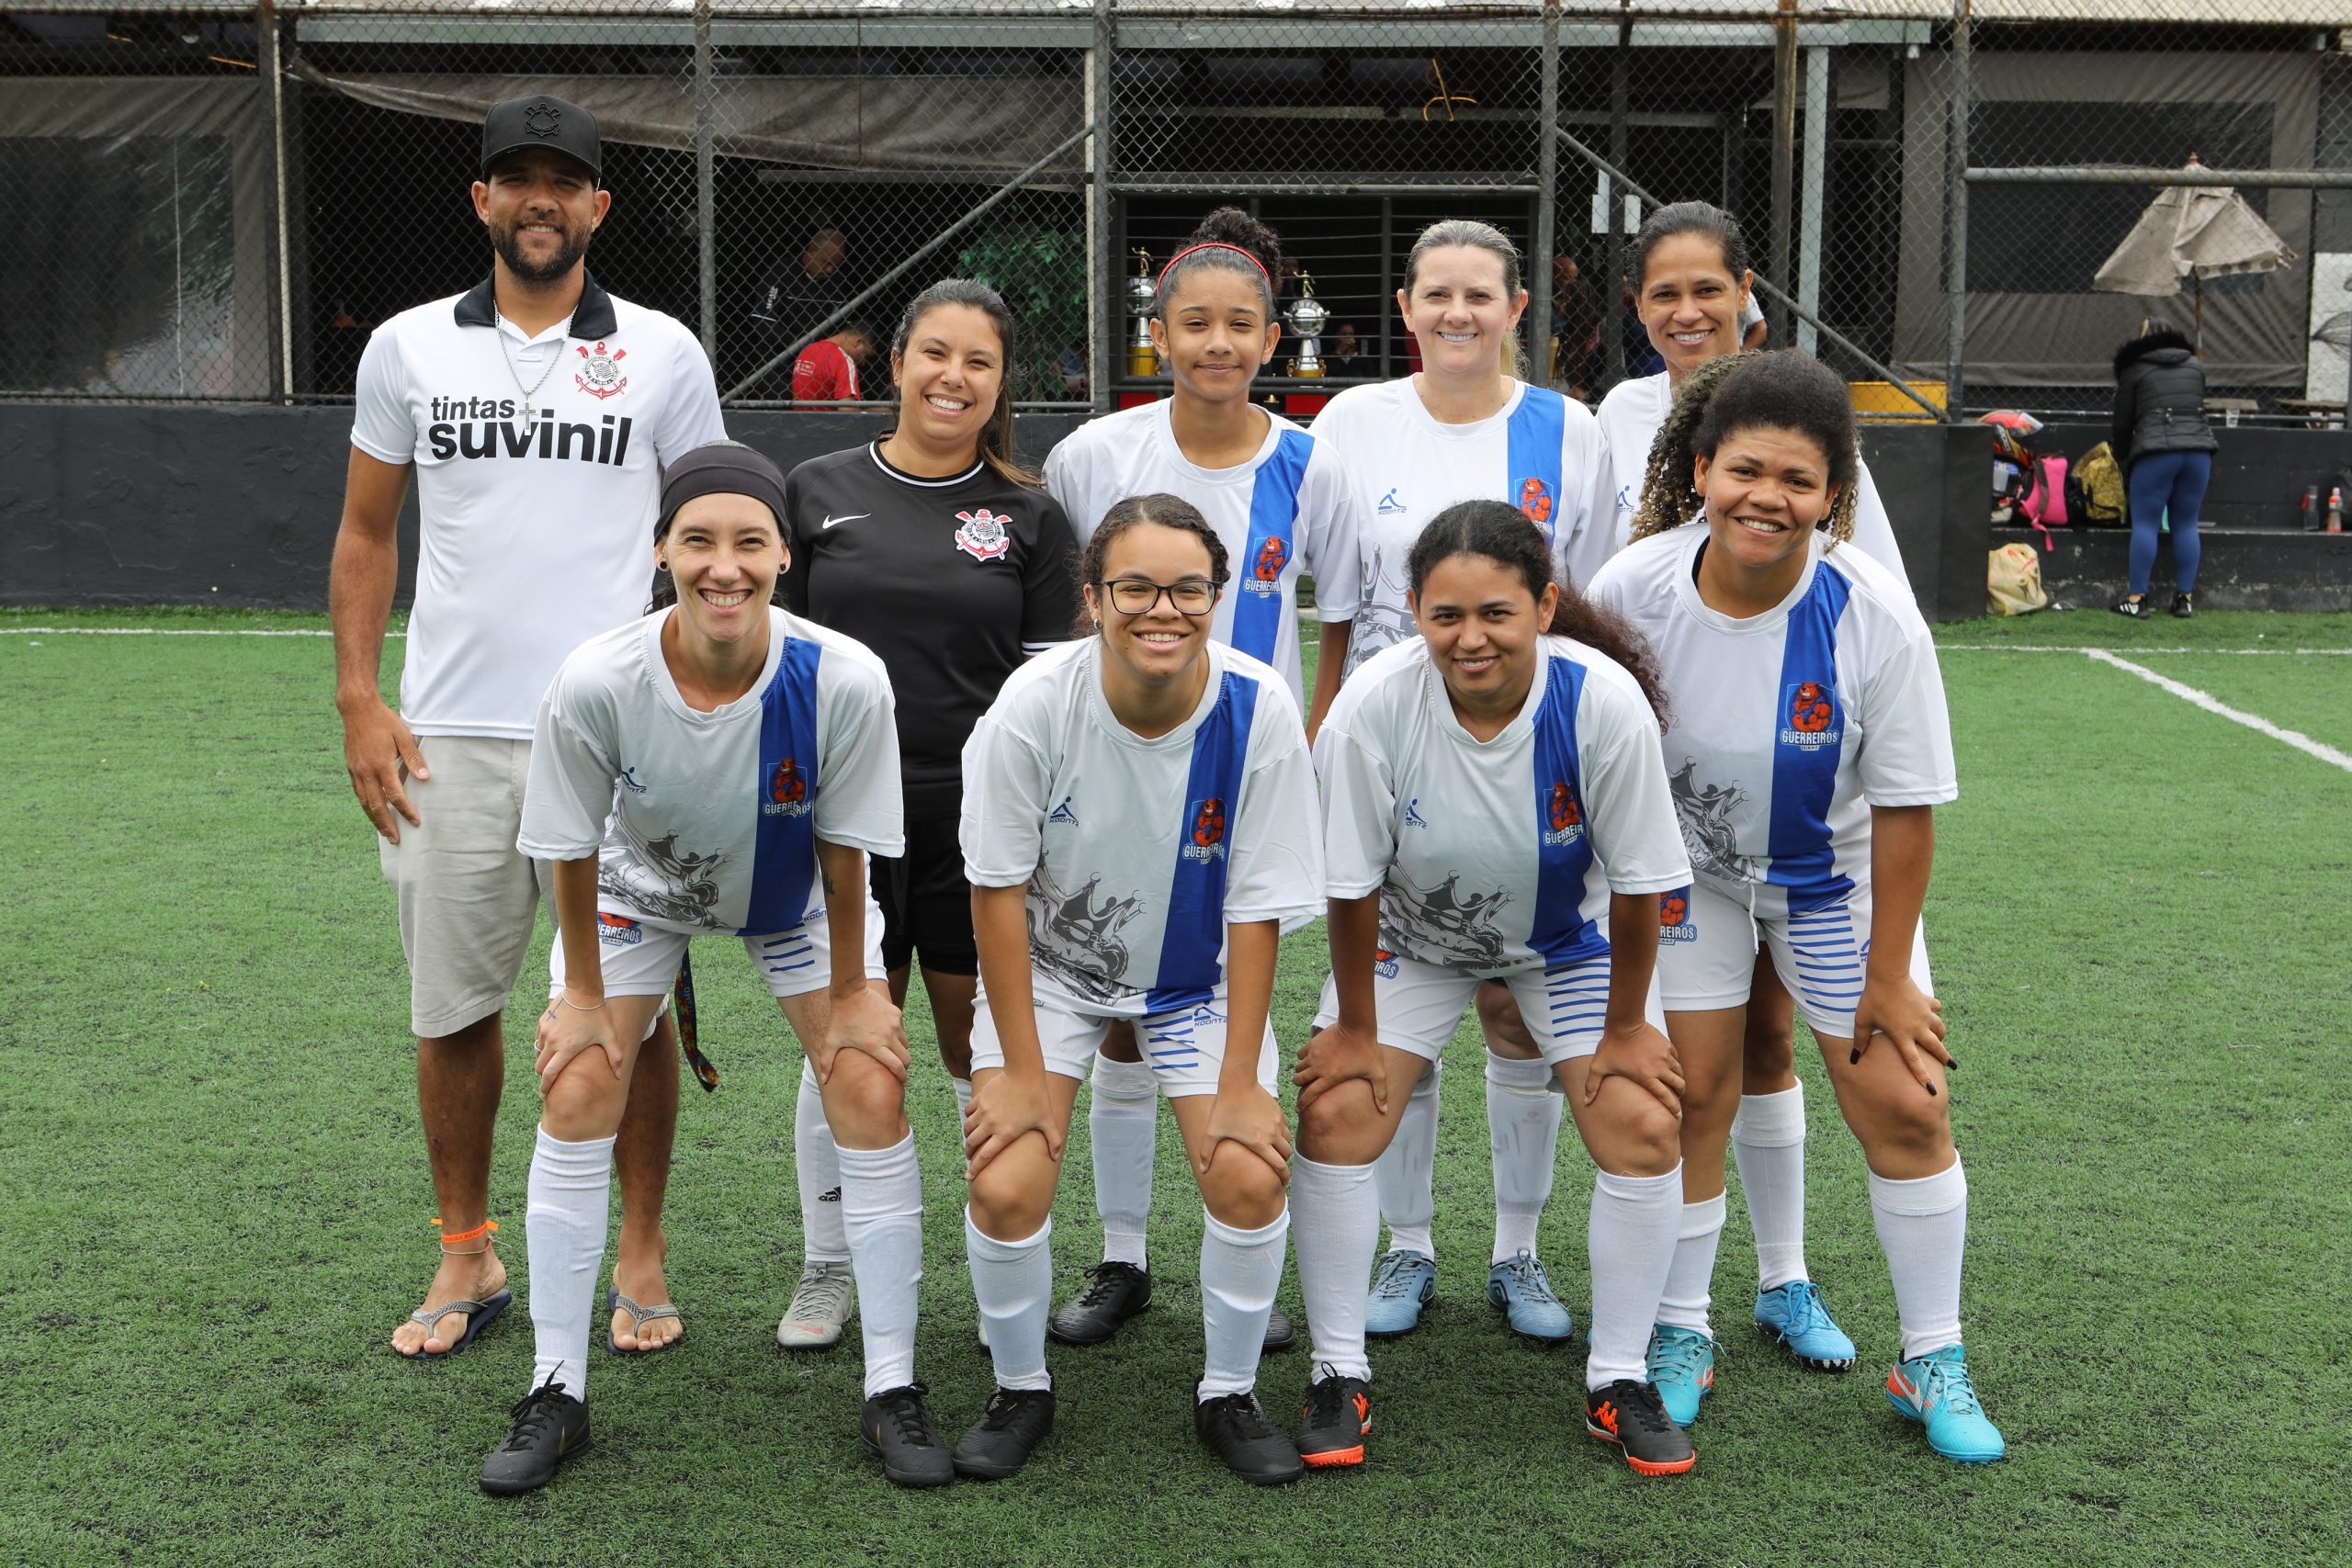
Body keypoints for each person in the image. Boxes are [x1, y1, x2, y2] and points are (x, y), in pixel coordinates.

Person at [334, 96, 725, 1366]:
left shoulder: (665, 351)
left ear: (599, 208)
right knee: (452, 1007)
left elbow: (709, 534)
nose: (541, 200)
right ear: (483, 201)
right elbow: (366, 532)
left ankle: (642, 1243)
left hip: (620, 735)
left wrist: (699, 708)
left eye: (566, 182)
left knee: (635, 1012)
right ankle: (467, 1241)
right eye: (518, 180)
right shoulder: (404, 349)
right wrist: (359, 697)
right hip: (448, 734)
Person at [481, 443, 935, 1492]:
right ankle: (557, 1391)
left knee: (867, 1083)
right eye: (698, 541)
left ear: (783, 554)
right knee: (581, 1079)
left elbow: (848, 848)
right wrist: (588, 1000)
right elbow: (567, 845)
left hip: (794, 900)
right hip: (643, 896)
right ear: (662, 553)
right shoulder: (599, 677)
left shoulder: (842, 676)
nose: (722, 566)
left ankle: (892, 1385)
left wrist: (860, 997)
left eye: (747, 542)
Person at [1588, 350, 2005, 1464]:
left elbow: (1909, 812)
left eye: (1799, 480)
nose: (1767, 497)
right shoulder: (1631, 589)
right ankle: (1680, 1332)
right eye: (1745, 469)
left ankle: (1932, 1357)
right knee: (1692, 1098)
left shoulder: (1872, 615)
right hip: (1690, 884)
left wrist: (1887, 977)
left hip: (1835, 886)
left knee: (1906, 1102)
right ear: (1699, 470)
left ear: (1835, 497)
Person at [1291, 500, 1697, 1478]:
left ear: (1545, 605)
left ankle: (1619, 1377)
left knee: (1643, 1120)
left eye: (1496, 614)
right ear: (1415, 611)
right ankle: (1335, 1369)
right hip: (1412, 943)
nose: (1470, 638)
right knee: (1337, 1110)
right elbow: (1348, 887)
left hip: (1560, 943)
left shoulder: (1600, 701)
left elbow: (1642, 883)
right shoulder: (1373, 707)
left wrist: (1629, 1027)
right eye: (1445, 615)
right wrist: (1350, 1026)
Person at [1586, 201, 1910, 1380]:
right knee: (1709, 1069)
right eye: (1662, 294)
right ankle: (1689, 1312)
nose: (1685, 312)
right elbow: (1598, 617)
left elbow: (1869, 623)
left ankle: (1784, 1278)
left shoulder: (1816, 443)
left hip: (1806, 809)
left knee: (1776, 1049)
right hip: (1680, 825)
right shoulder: (1609, 423)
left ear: (1744, 294)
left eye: (1705, 292)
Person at [950, 494, 1324, 1485]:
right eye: (1134, 587)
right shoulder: (1033, 704)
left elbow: (1256, 906)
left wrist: (1241, 1081)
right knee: (1007, 1179)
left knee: (1246, 1171)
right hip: (1054, 976)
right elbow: (993, 892)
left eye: (1188, 587)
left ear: (1218, 594)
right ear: (1091, 598)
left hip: (1193, 978)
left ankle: (1228, 1393)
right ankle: (1020, 1385)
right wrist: (1020, 1072)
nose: (1163, 609)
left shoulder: (1259, 706)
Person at [1039, 207, 1360, 1351]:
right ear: (1158, 333)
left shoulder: (1314, 461)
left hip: (1246, 782)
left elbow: (1344, 614)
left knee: (1223, 998)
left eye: (1239, 325)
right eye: (1193, 324)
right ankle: (1122, 1257)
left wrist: (1311, 743)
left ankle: (1242, 1263)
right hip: (1116, 775)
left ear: (1274, 339)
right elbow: (1069, 613)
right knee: (1122, 1022)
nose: (1216, 344)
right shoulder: (1093, 457)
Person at [1303, 218, 1613, 1348]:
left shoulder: (1567, 431)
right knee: (1400, 995)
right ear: (1404, 307)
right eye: (1436, 294)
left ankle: (1517, 1253)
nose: (1457, 314)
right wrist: (1322, 723)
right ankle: (1409, 1244)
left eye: (1479, 295)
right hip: (1389, 747)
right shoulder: (1351, 421)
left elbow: (1582, 600)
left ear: (1516, 308)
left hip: (1525, 745)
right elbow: (1337, 600)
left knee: (1513, 1010)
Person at [774, 279, 1082, 1352]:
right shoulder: (813, 489)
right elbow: (772, 665)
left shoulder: (1033, 518)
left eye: (979, 362)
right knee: (848, 1048)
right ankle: (828, 1267)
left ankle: (978, 1250)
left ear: (1001, 384)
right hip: (839, 827)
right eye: (934, 353)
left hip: (975, 830)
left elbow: (1050, 694)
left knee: (967, 1045)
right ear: (897, 362)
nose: (953, 377)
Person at [2109, 321, 2216, 618]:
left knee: (2145, 524)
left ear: (2142, 339)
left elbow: (2123, 422)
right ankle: (2184, 598)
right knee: (2186, 523)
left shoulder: (2134, 369)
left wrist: (2121, 456)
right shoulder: (2195, 366)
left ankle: (2137, 599)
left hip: (2156, 452)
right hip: (2198, 452)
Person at [792, 320, 875, 405]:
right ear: (858, 342)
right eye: (865, 354)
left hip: (799, 417)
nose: (863, 362)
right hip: (825, 418)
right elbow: (847, 411)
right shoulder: (844, 361)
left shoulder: (807, 350)